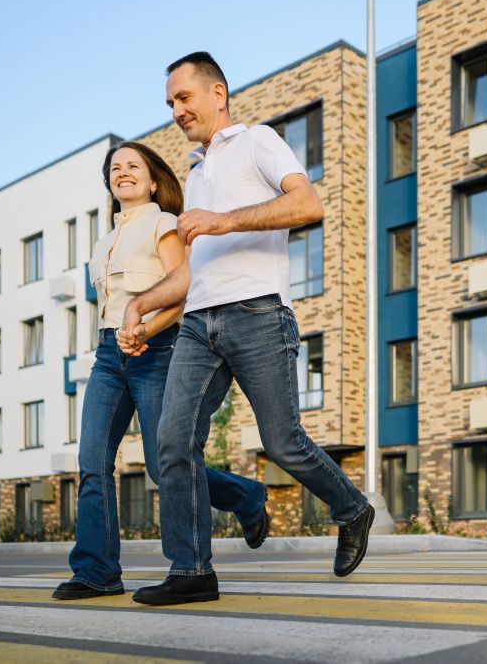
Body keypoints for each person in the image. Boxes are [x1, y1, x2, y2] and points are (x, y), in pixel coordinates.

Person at [127, 52, 374, 607]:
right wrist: (141, 308)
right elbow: (192, 270)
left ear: (217, 93)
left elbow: (307, 203)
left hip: (259, 312)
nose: (176, 110)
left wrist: (225, 220)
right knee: (172, 443)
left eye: (184, 98)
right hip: (198, 323)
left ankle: (352, 508)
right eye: (169, 103)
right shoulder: (195, 173)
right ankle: (191, 570)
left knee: (283, 443)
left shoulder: (258, 140)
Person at [52, 141, 270, 601]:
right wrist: (122, 337)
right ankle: (96, 571)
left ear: (153, 181)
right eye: (115, 168)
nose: (123, 172)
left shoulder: (165, 224)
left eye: (133, 166)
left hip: (158, 349)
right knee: (92, 461)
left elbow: (185, 290)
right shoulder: (103, 243)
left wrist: (146, 328)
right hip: (108, 357)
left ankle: (245, 497)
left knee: (163, 463)